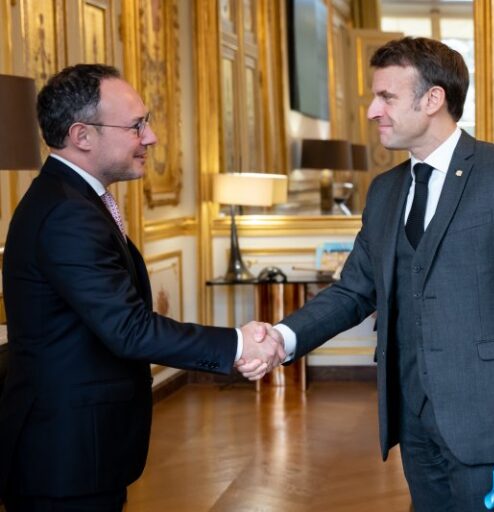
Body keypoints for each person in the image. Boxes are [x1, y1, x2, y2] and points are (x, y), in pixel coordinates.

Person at [238, 37, 494, 511]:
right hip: (412, 418)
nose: (372, 111)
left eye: (386, 97)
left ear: (432, 99)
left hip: (490, 416)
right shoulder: (385, 191)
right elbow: (353, 292)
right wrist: (282, 338)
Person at [0, 64, 285, 511]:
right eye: (136, 126)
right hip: (64, 454)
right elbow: (129, 329)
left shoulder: (73, 200)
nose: (150, 137)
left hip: (78, 447)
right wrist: (237, 344)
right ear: (82, 135)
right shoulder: (67, 214)